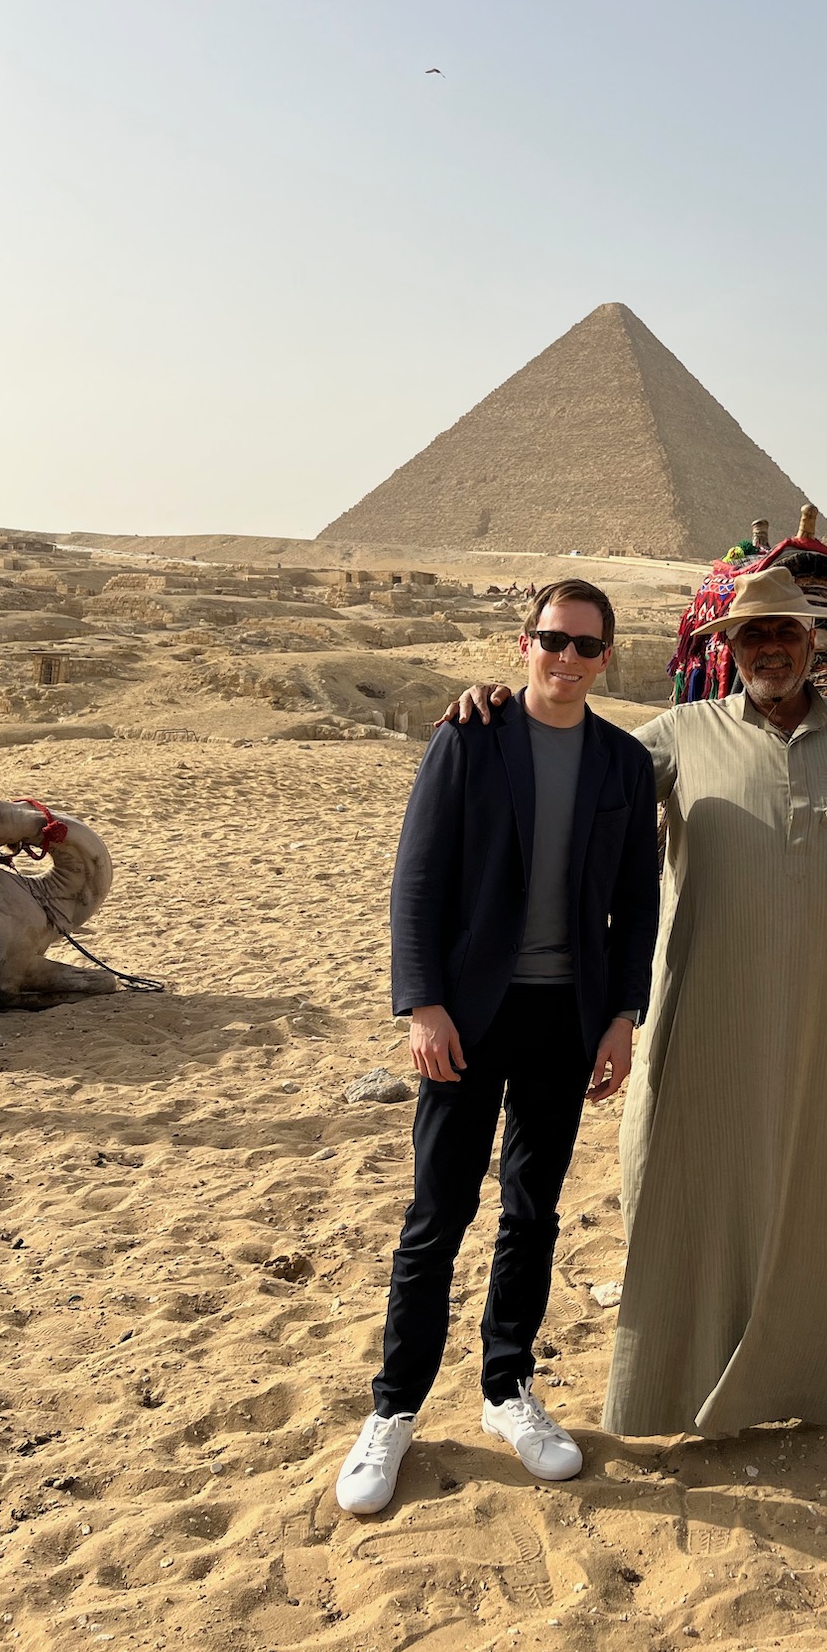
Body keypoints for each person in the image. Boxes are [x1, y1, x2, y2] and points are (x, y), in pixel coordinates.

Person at [451, 565, 827, 1440]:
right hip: (714, 1004)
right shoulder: (681, 736)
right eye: (752, 637)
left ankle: (802, 1367)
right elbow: (580, 775)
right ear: (727, 651)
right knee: (693, 1177)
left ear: (815, 645)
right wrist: (511, 714)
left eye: (787, 635)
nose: (770, 649)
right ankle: (672, 1384)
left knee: (820, 1189)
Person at [335, 580, 659, 1513]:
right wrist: (423, 1005)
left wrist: (622, 1015)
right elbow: (418, 879)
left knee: (532, 1212)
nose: (567, 660)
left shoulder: (622, 765)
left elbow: (639, 903)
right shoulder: (468, 737)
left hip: (568, 1017)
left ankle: (507, 1389)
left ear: (608, 659)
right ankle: (394, 1409)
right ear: (524, 644)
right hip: (471, 1017)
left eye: (586, 647)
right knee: (436, 1216)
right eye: (553, 640)